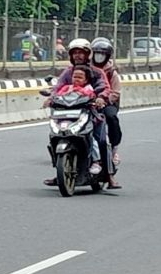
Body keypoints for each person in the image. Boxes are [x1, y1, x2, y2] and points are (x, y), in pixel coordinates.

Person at [43, 38, 111, 186]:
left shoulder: (96, 72)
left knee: (100, 140)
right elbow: (58, 88)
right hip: (67, 112)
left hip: (90, 112)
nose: (78, 56)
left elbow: (104, 87)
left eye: (81, 53)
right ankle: (60, 170)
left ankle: (105, 171)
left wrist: (100, 98)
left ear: (88, 54)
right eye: (75, 53)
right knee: (55, 136)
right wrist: (51, 98)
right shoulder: (68, 72)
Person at [54, 65, 103, 174]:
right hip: (67, 117)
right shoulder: (66, 89)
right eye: (75, 76)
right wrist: (51, 100)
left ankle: (96, 161)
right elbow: (57, 96)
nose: (76, 79)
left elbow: (93, 98)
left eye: (80, 77)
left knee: (92, 139)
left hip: (83, 118)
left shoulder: (88, 90)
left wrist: (97, 101)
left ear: (86, 80)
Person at [90, 37, 122, 186]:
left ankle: (112, 154)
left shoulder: (111, 72)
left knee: (109, 121)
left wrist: (104, 100)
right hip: (86, 102)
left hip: (106, 102)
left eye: (102, 54)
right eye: (97, 53)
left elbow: (115, 93)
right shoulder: (85, 68)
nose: (99, 57)